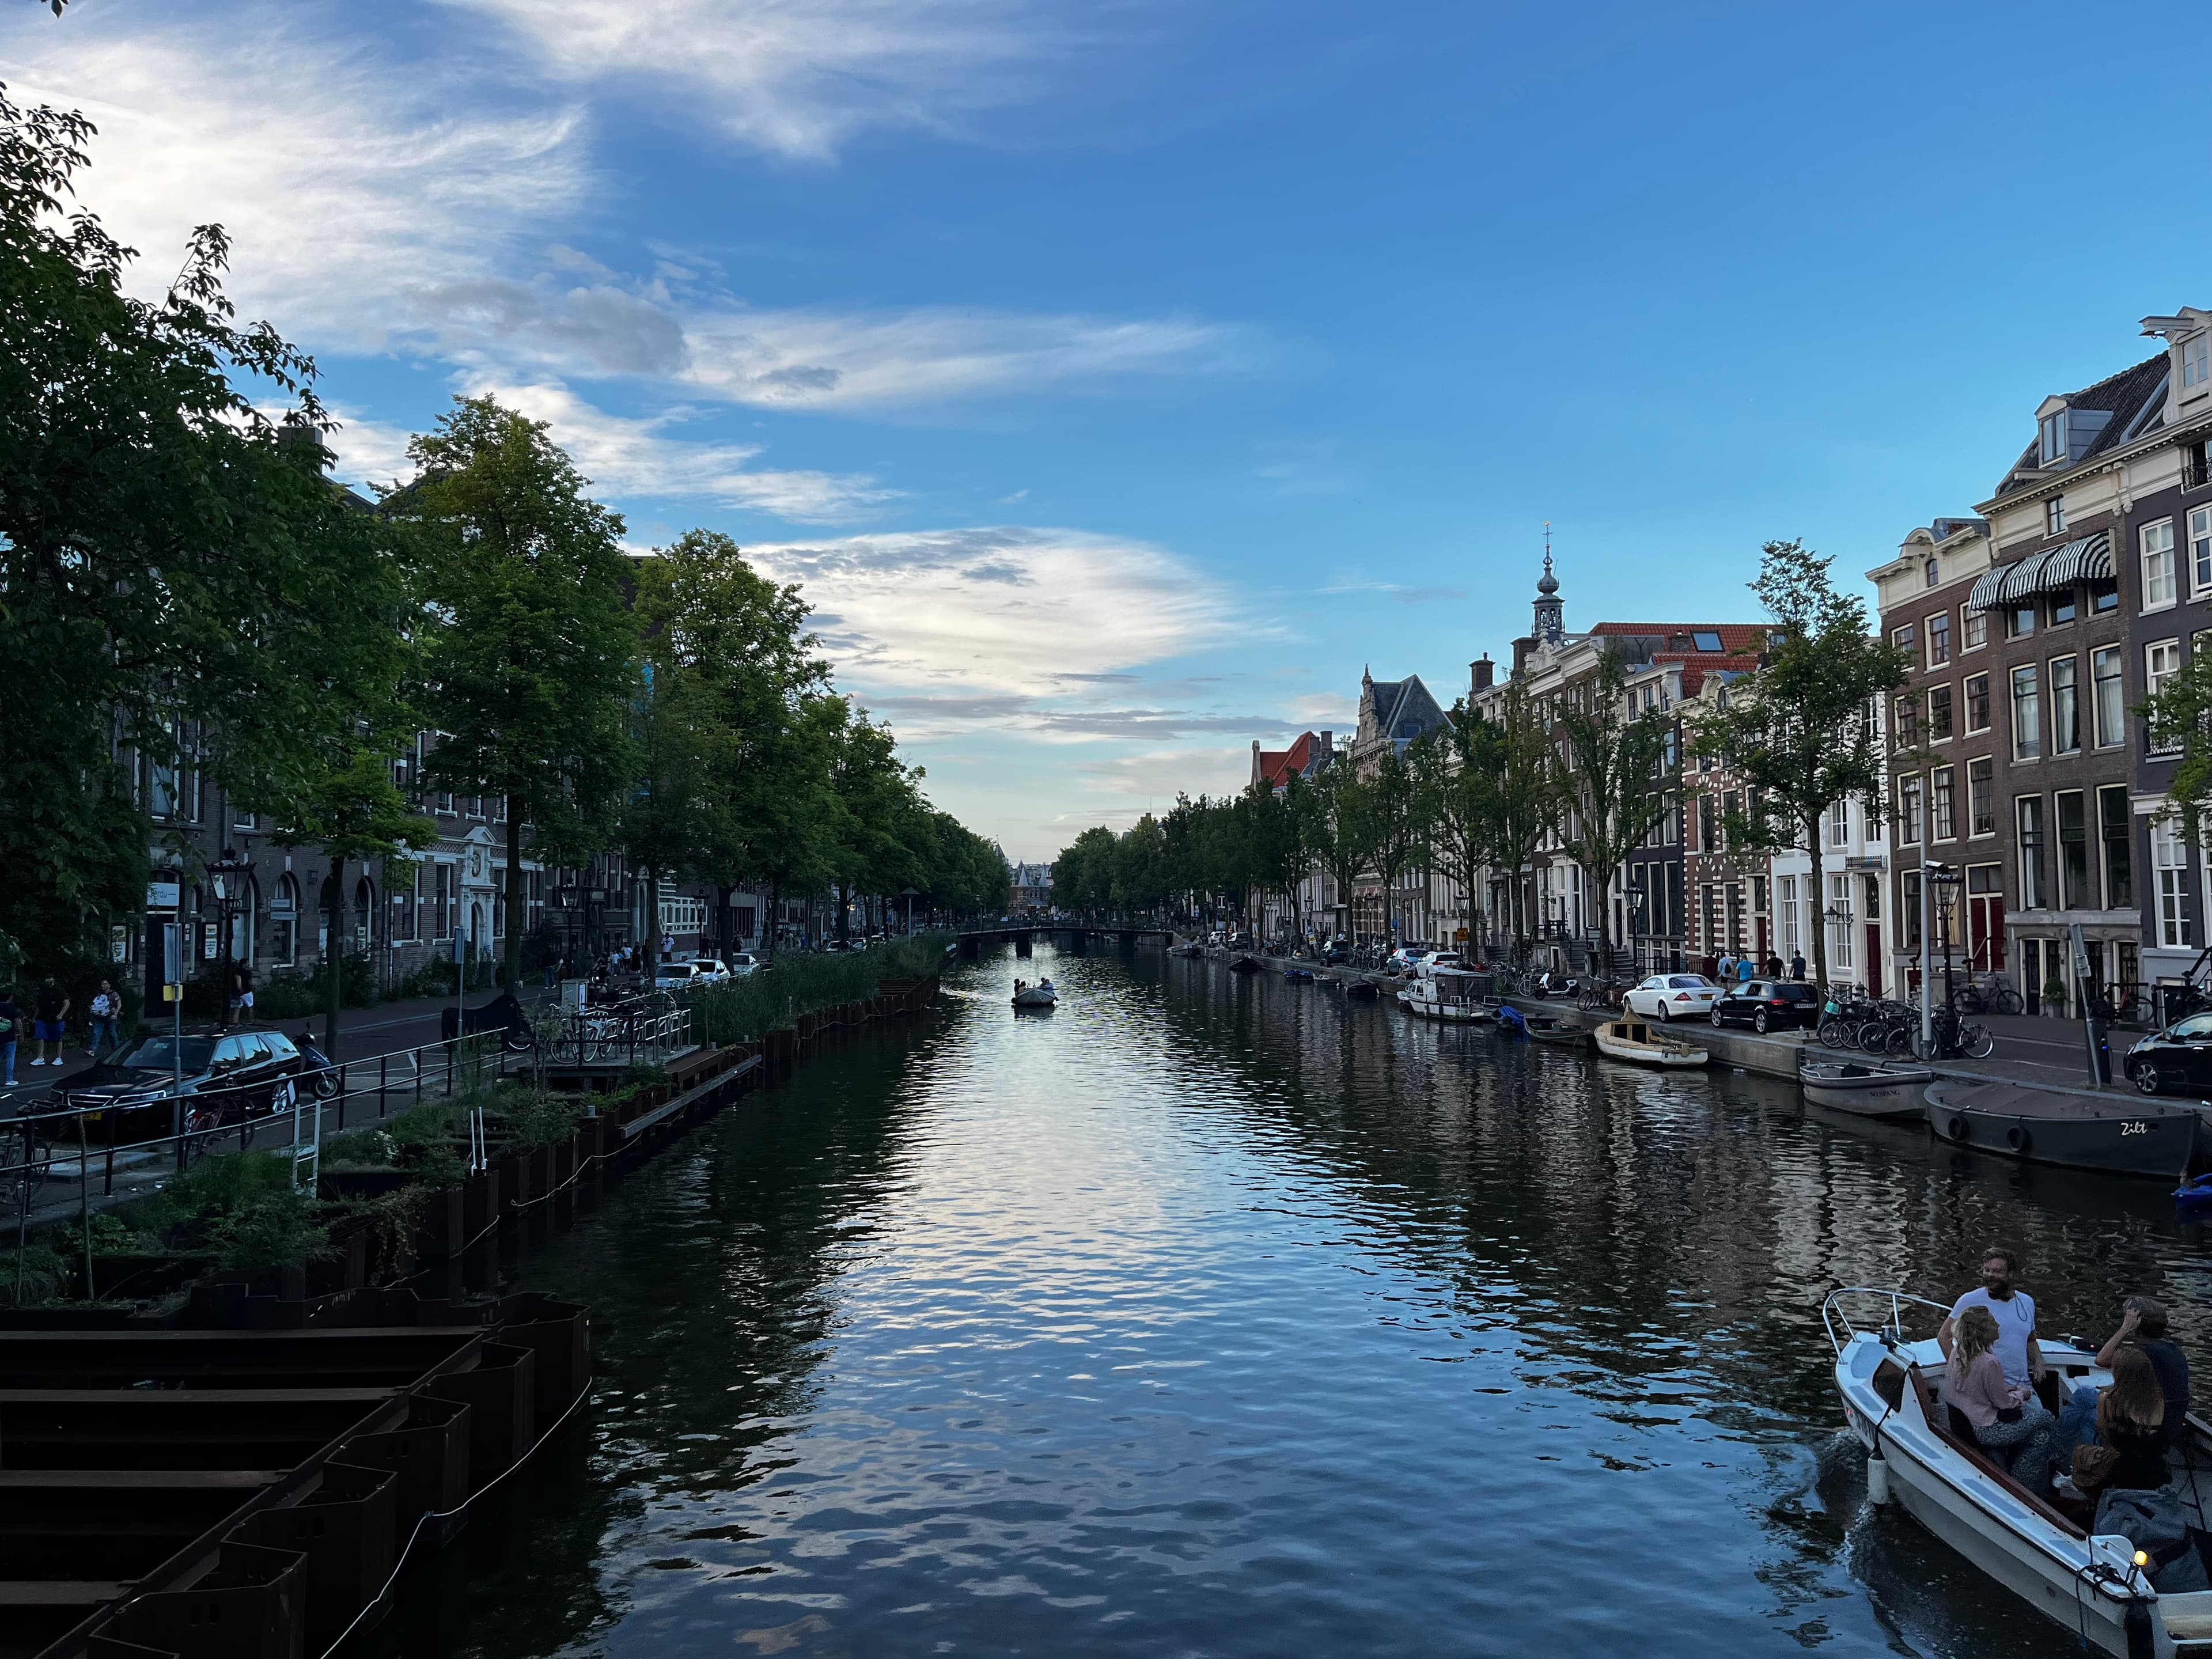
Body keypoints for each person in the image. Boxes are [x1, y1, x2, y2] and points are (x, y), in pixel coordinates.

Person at [1949, 1304, 2058, 1491]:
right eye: (1993, 1321)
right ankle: (2059, 1469)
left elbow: (1975, 1391)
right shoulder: (1989, 1361)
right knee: (2046, 1417)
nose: (1998, 1325)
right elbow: (2004, 1404)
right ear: (1984, 1331)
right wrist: (2022, 1394)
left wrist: (2005, 1389)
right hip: (1991, 1430)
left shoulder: (1958, 1352)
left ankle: (2029, 1485)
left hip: (1970, 1424)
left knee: (2041, 1437)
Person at [2062, 1296, 2191, 1451]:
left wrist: (2125, 1329)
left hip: (2145, 1425)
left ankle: (2073, 1456)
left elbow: (2101, 1360)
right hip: (2168, 1423)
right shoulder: (2175, 1351)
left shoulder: (2142, 1352)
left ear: (2136, 1322)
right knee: (2086, 1398)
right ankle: (2064, 1450)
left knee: (2088, 1412)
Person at [1938, 1248, 2046, 1394]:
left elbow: (2030, 1340)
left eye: (1997, 1271)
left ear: (2011, 1274)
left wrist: (2039, 1362)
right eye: (1987, 1270)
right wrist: (1962, 1375)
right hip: (1985, 1390)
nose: (1990, 1275)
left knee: (2046, 1415)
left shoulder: (2027, 1302)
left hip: (2022, 1387)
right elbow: (1944, 1337)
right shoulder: (1970, 1300)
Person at [29, 975, 69, 1067]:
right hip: (42, 1017)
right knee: (40, 1036)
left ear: (53, 980)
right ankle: (40, 1058)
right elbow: (39, 1006)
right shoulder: (43, 991)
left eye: (49, 979)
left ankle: (59, 1058)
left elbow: (67, 1003)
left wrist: (61, 1015)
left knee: (58, 1038)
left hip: (56, 1018)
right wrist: (34, 1017)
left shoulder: (59, 990)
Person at [85, 980, 120, 1061]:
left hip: (110, 1016)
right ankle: (92, 1050)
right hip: (99, 1017)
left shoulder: (114, 994)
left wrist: (115, 1014)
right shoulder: (99, 994)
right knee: (96, 1032)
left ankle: (116, 1049)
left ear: (110, 985)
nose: (103, 986)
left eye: (105, 984)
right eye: (102, 984)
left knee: (112, 1033)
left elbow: (119, 1004)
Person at [0, 984, 18, 1085]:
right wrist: (20, 1033)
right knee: (10, 1058)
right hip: (10, 1036)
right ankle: (9, 1079)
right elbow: (17, 1022)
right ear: (10, 997)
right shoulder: (11, 1008)